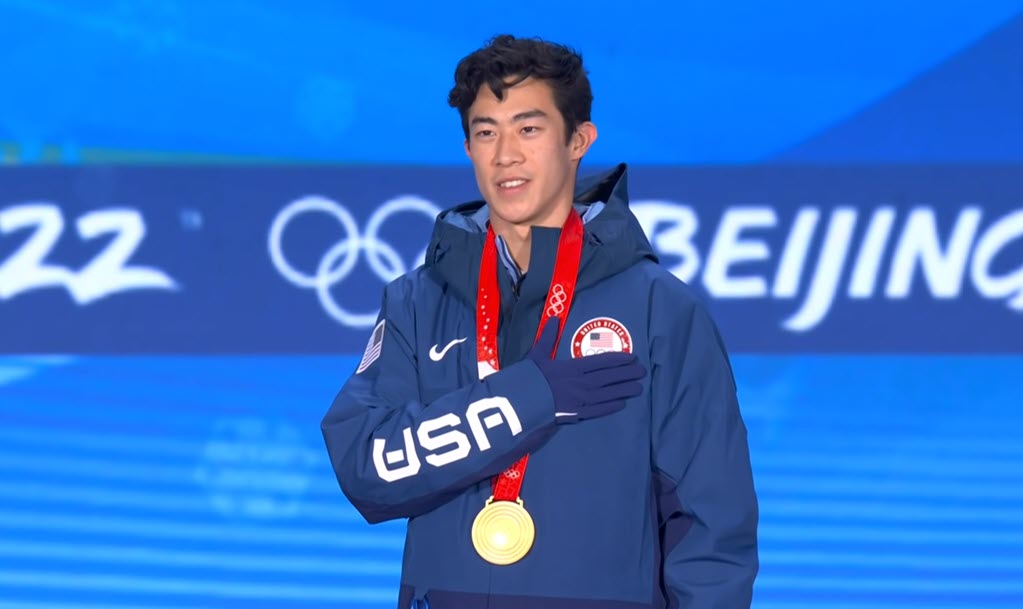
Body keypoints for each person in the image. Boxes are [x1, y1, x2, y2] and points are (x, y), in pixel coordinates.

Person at [321, 34, 758, 609]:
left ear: (578, 140)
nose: (506, 155)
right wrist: (531, 397)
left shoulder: (661, 310)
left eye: (528, 129)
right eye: (485, 132)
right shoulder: (416, 301)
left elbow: (711, 527)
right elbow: (366, 466)